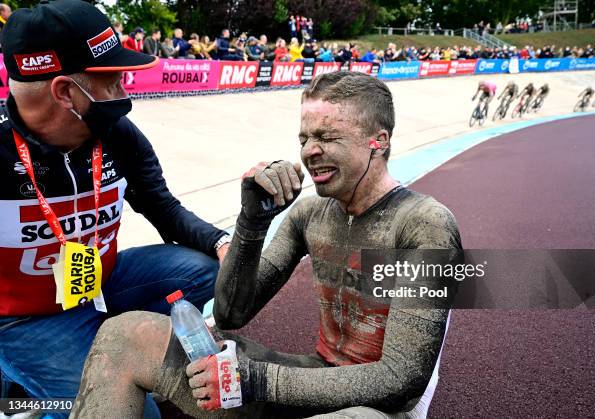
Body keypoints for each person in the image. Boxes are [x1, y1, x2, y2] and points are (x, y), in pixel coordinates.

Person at [71, 71, 462, 418]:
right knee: (125, 335)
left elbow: (401, 380)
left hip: (381, 409)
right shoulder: (309, 214)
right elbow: (230, 314)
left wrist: (259, 380)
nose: (310, 151)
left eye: (327, 137)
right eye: (305, 138)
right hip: (314, 380)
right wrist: (252, 223)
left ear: (379, 141)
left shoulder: (426, 225)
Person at [0, 1, 230, 417]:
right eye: (114, 80)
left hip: (100, 287)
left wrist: (223, 242)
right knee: (136, 412)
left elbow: (163, 207)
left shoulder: (118, 134)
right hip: (23, 321)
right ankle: (26, 396)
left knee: (208, 270)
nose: (126, 93)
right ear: (66, 92)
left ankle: (65, 373)